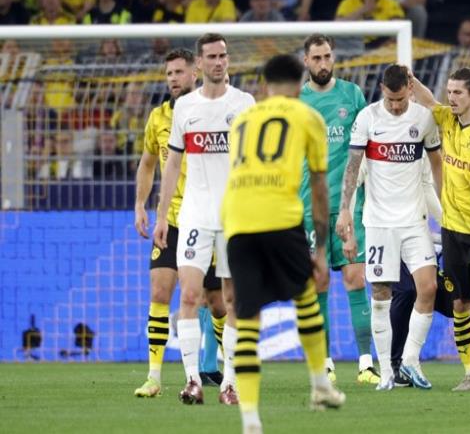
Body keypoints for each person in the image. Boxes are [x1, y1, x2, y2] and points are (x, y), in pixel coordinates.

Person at [222, 53, 345, 434]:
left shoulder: (242, 120)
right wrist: (320, 251)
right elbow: (319, 187)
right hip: (280, 216)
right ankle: (320, 386)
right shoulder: (307, 116)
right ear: (299, 85)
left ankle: (250, 421)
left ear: (265, 85)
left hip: (237, 222)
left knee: (247, 318)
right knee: (306, 296)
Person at [153, 34, 256, 405]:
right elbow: (172, 165)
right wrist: (161, 215)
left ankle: (229, 383)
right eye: (211, 56)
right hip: (194, 215)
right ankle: (192, 380)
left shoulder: (244, 103)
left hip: (234, 217)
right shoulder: (185, 107)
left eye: (223, 55)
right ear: (199, 63)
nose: (218, 61)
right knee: (189, 295)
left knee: (232, 299)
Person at [336, 64, 442, 391]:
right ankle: (385, 372)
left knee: (428, 287)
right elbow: (353, 169)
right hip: (380, 224)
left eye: (401, 99)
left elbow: (437, 166)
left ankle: (410, 360)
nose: (395, 106)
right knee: (381, 295)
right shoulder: (367, 118)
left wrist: (447, 209)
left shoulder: (423, 119)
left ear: (410, 89)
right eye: (391, 99)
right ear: (382, 89)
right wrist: (345, 212)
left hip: (414, 222)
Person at [133, 48, 227, 397]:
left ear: (194, 73)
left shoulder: (212, 112)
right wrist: (140, 205)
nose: (173, 79)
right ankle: (154, 376)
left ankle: (228, 368)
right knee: (160, 292)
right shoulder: (158, 117)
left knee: (216, 303)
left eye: (178, 72)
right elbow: (147, 164)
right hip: (171, 221)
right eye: (168, 73)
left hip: (208, 220)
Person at [410, 68, 470, 391]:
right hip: (451, 232)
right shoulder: (448, 120)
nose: (451, 98)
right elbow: (428, 101)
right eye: (449, 92)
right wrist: (411, 81)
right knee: (460, 305)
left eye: (458, 93)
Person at [299, 34, 377, 385]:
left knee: (355, 278)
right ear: (306, 61)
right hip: (309, 207)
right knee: (318, 282)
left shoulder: (352, 95)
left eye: (327, 56)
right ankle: (325, 364)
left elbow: (365, 149)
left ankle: (366, 364)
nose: (323, 63)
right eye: (316, 58)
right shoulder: (296, 102)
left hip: (349, 205)